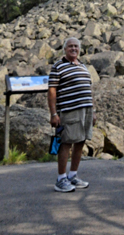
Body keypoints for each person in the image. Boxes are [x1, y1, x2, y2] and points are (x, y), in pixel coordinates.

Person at [47, 37, 96, 192]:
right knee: (66, 143)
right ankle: (61, 179)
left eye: (76, 46)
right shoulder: (58, 66)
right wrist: (53, 113)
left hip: (85, 110)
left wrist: (92, 111)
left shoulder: (82, 65)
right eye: (70, 46)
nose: (74, 49)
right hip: (69, 110)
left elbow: (87, 90)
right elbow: (52, 90)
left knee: (81, 141)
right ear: (64, 49)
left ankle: (73, 176)